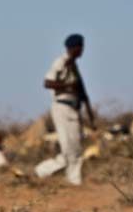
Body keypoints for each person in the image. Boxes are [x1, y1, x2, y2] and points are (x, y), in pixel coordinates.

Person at [35, 33, 95, 186]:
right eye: (80, 47)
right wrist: (68, 87)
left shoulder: (74, 67)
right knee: (69, 147)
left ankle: (43, 171)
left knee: (74, 147)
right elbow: (47, 83)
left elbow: (83, 94)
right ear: (73, 48)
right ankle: (73, 181)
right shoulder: (61, 62)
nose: (82, 50)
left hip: (74, 109)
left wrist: (90, 116)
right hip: (62, 107)